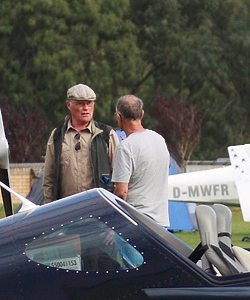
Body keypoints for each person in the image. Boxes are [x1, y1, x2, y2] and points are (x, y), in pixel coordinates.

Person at [42, 84, 117, 203]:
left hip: (99, 208)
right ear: (69, 105)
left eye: (90, 103)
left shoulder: (106, 134)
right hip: (66, 208)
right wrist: (49, 207)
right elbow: (48, 178)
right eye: (80, 104)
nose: (86, 108)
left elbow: (119, 174)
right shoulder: (57, 136)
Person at [110, 94, 170, 228]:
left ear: (119, 117)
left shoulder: (125, 148)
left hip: (135, 224)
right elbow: (168, 163)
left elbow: (121, 192)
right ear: (142, 114)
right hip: (160, 223)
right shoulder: (158, 139)